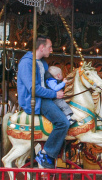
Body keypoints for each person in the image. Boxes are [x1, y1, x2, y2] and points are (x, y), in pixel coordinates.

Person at [17, 35, 67, 170]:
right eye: (50, 47)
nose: (51, 50)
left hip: (45, 97)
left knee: (69, 113)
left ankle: (60, 147)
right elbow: (34, 89)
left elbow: (47, 83)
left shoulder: (43, 63)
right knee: (63, 122)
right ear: (41, 47)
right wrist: (54, 93)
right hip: (35, 100)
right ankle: (45, 153)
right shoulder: (26, 63)